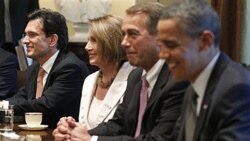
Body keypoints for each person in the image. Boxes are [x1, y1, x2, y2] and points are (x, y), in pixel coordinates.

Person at [53, 2, 189, 141]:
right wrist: (74, 132)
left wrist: (91, 139)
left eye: (133, 34)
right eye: (123, 34)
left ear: (160, 37)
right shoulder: (136, 77)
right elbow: (118, 124)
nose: (124, 43)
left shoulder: (178, 80)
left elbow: (159, 138)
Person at [156, 0, 250, 141]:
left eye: (171, 45)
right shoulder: (193, 86)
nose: (162, 55)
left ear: (205, 41)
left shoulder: (235, 89)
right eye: (160, 45)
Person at [8, 8, 90, 129]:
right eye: (25, 35)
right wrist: (4, 105)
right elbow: (21, 98)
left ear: (52, 40)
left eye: (32, 35)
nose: (25, 41)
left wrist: (4, 105)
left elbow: (45, 105)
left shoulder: (71, 68)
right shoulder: (35, 67)